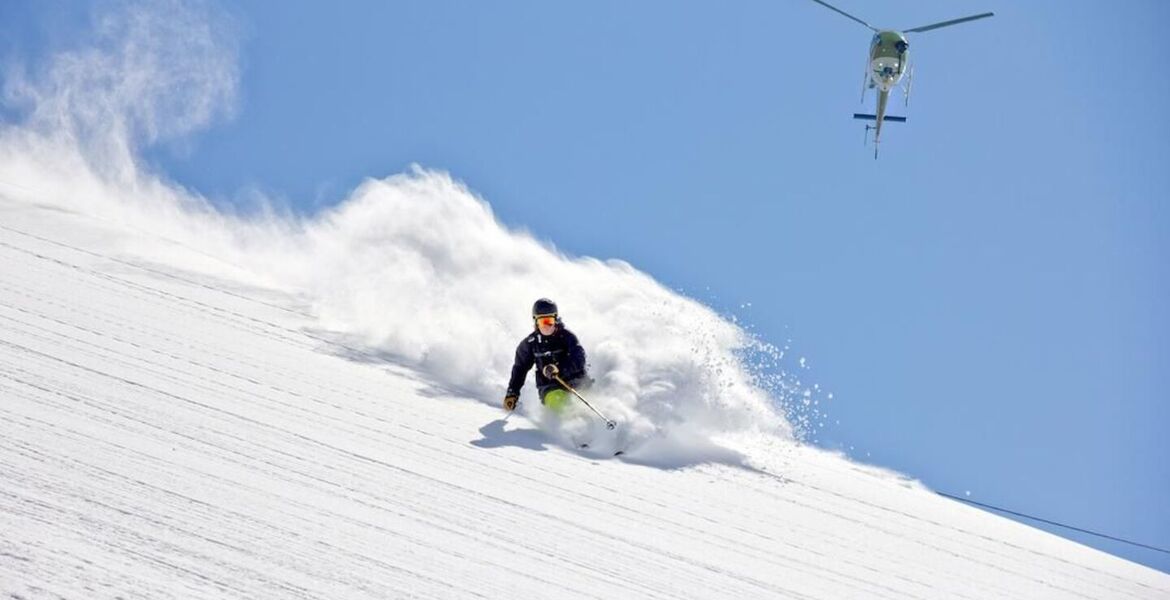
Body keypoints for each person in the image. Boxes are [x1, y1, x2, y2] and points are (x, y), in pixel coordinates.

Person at [503, 298, 588, 414]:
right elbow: (520, 368)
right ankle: (574, 426)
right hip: (550, 387)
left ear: (556, 320)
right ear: (536, 322)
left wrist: (560, 369)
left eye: (550, 321)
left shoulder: (567, 337)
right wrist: (512, 393)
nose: (546, 326)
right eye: (542, 322)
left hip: (576, 381)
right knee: (563, 404)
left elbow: (579, 358)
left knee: (588, 402)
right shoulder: (530, 344)